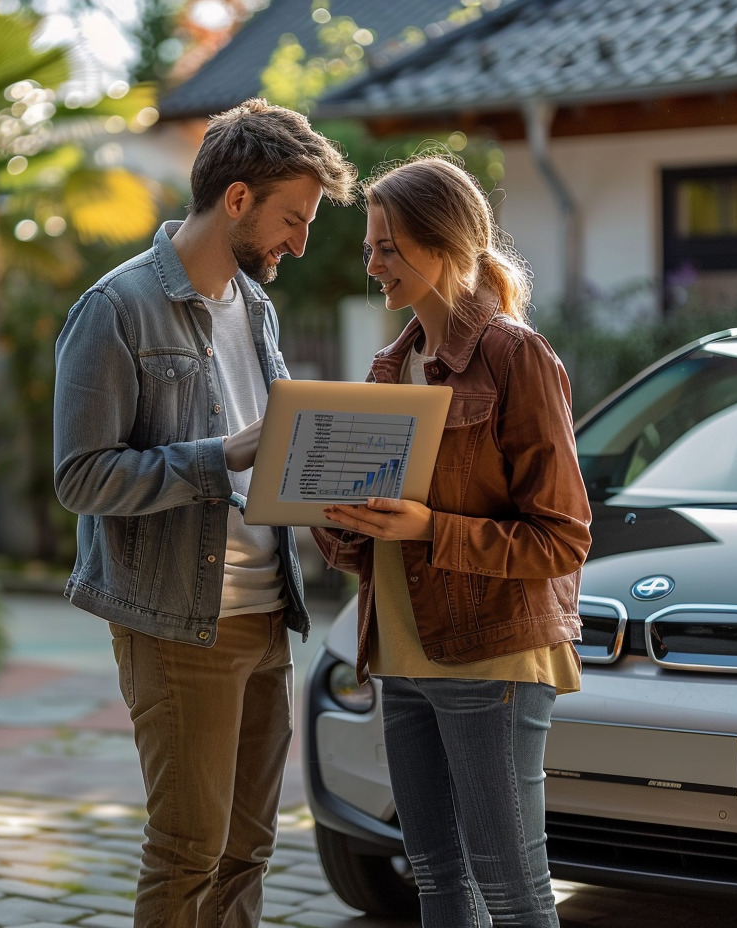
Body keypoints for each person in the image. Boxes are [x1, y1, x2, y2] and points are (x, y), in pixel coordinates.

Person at [52, 98, 356, 928]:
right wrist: (220, 456)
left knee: (248, 851)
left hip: (267, 616)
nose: (300, 243)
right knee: (188, 850)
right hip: (178, 622)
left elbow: (272, 453)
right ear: (237, 200)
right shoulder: (115, 309)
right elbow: (81, 477)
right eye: (293, 220)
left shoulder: (256, 309)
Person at [312, 153, 592, 927]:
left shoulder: (514, 356)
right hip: (400, 659)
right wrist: (332, 517)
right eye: (370, 247)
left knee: (512, 890)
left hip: (492, 657)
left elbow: (562, 539)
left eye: (388, 247)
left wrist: (432, 527)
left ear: (443, 247)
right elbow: (365, 545)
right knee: (435, 883)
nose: (373, 264)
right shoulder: (388, 368)